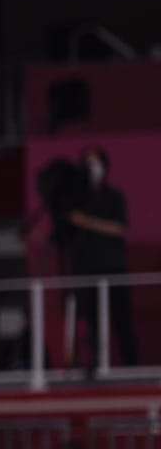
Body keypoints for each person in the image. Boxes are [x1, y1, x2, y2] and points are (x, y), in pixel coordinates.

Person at [66, 146, 136, 370]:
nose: (92, 168)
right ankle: (95, 366)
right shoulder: (77, 199)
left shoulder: (114, 197)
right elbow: (66, 231)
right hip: (86, 270)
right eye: (88, 162)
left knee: (122, 322)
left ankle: (132, 367)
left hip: (114, 269)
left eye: (95, 162)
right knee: (92, 323)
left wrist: (89, 222)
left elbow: (120, 228)